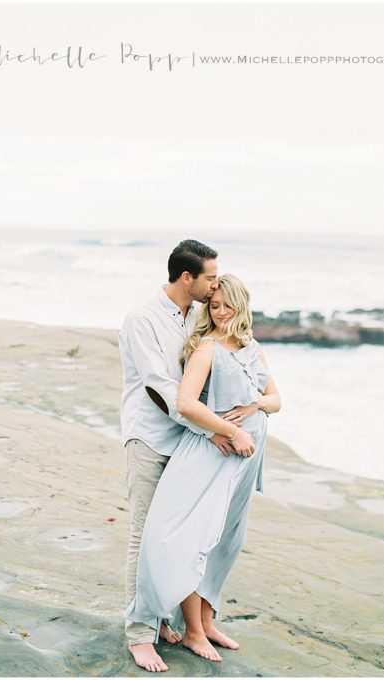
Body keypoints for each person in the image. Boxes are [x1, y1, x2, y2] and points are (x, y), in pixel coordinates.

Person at [125, 274, 281, 666]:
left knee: (227, 541)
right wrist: (231, 429)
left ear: (242, 305)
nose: (221, 311)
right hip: (214, 453)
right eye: (215, 305)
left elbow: (276, 399)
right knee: (191, 540)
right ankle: (182, 629)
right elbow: (186, 402)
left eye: (228, 304)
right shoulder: (207, 349)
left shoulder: (252, 347)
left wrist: (254, 407)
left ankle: (206, 622)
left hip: (245, 462)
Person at [118, 239, 241, 673]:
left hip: (191, 445)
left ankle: (169, 621)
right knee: (145, 536)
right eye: (209, 277)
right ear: (187, 277)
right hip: (152, 440)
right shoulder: (143, 319)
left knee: (184, 537)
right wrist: (213, 429)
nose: (215, 284)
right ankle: (139, 634)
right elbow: (159, 389)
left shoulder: (199, 316)